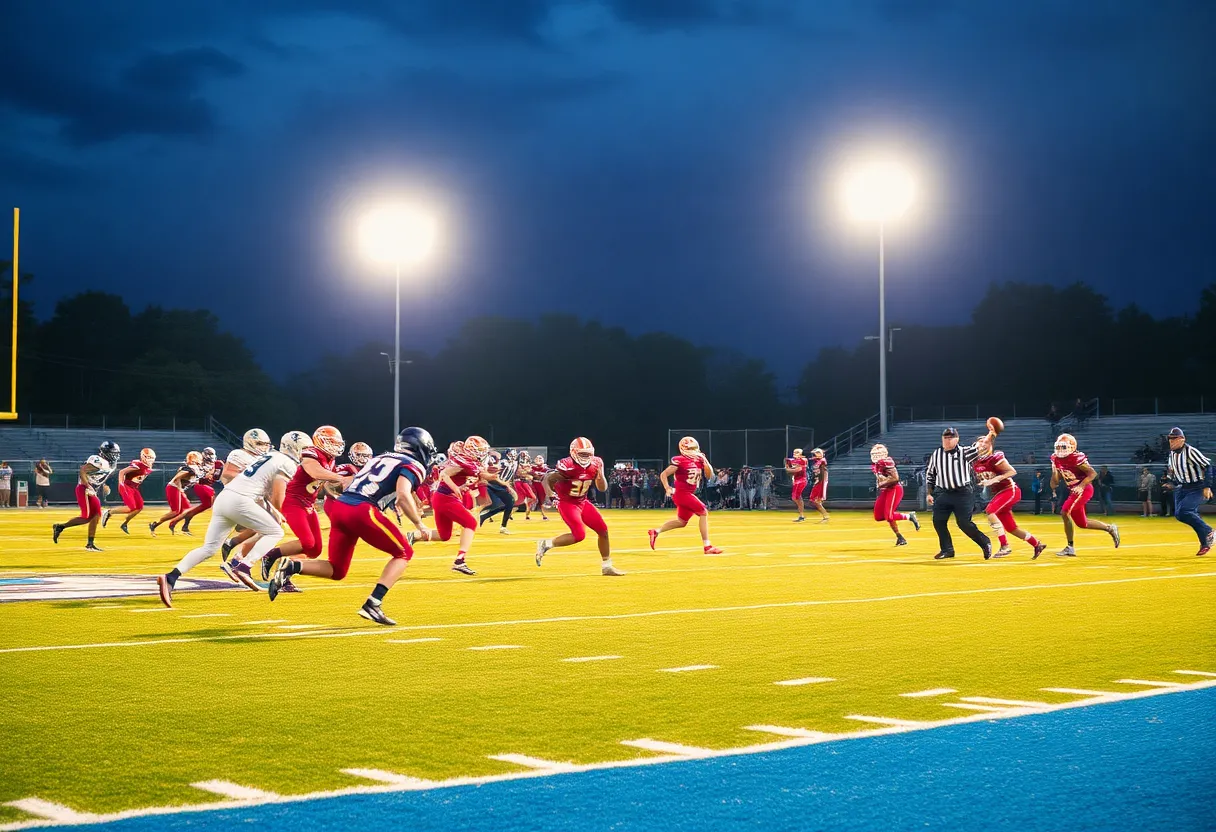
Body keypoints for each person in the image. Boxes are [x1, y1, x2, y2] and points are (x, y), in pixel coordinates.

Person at [267, 428, 436, 624]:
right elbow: (403, 494)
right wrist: (419, 524)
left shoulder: (380, 458)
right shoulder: (413, 464)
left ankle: (292, 565)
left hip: (341, 507)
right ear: (420, 448)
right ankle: (373, 603)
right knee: (404, 552)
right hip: (362, 510)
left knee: (337, 570)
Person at [156, 431, 306, 607]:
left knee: (209, 548)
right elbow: (277, 492)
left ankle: (171, 577)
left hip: (225, 498)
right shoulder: (287, 463)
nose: (306, 454)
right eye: (304, 450)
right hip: (240, 500)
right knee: (275, 531)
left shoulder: (272, 456)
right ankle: (244, 566)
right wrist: (277, 511)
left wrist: (271, 508)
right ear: (294, 448)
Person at [242, 426, 351, 589]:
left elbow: (325, 482)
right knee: (307, 542)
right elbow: (313, 471)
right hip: (293, 501)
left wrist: (338, 495)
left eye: (337, 443)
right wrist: (340, 478)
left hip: (307, 504)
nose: (336, 446)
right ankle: (270, 556)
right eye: (332, 442)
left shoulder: (330, 459)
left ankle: (286, 568)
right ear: (320, 441)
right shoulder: (312, 452)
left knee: (315, 550)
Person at [535, 437, 624, 575]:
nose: (585, 457)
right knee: (579, 535)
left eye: (587, 454)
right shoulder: (567, 465)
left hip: (582, 501)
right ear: (573, 452)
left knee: (603, 531)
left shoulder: (596, 463)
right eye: (582, 454)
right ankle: (546, 544)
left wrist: (600, 476)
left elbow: (602, 488)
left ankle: (607, 566)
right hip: (567, 502)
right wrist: (551, 495)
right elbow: (548, 479)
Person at [409, 436, 490, 575]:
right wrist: (455, 488)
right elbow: (444, 474)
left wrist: (463, 485)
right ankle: (460, 561)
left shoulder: (465, 461)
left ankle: (414, 536)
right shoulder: (461, 462)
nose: (483, 453)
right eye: (480, 450)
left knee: (444, 535)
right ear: (473, 450)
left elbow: (471, 475)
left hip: (442, 498)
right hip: (445, 498)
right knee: (470, 522)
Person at [972, 434, 1047, 558]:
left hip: (1009, 490)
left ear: (991, 446)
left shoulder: (995, 457)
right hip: (999, 493)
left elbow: (1012, 471)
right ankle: (1036, 544)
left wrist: (993, 480)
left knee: (990, 511)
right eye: (980, 441)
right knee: (1011, 528)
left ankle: (1004, 546)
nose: (982, 444)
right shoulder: (975, 462)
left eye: (986, 442)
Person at [924, 427, 992, 560]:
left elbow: (981, 449)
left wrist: (991, 434)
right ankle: (947, 550)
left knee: (964, 523)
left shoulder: (964, 452)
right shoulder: (937, 453)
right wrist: (929, 493)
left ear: (957, 439)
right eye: (946, 438)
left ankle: (985, 542)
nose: (948, 440)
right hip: (943, 492)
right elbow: (930, 474)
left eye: (951, 438)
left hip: (962, 493)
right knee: (938, 521)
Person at [648, 436, 723, 554]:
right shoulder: (680, 460)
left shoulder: (699, 460)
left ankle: (656, 531)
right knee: (703, 512)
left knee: (681, 522)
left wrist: (705, 460)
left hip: (687, 493)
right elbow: (664, 474)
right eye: (691, 448)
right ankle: (707, 546)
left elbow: (710, 476)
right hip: (682, 493)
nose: (694, 451)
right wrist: (667, 487)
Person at [1050, 433, 1120, 556]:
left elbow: (1093, 474)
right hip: (1073, 490)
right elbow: (1054, 484)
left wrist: (1081, 486)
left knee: (1064, 512)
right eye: (1059, 447)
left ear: (1072, 447)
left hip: (1084, 489)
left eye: (1064, 447)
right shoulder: (1055, 459)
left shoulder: (1076, 458)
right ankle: (1110, 528)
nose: (1060, 450)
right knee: (1083, 523)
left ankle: (1070, 547)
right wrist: (1055, 470)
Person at [52, 441, 121, 551]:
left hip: (92, 491)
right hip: (84, 489)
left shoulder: (111, 464)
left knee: (96, 515)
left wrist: (103, 485)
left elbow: (99, 476)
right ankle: (60, 527)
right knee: (86, 517)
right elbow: (83, 470)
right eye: (113, 453)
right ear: (106, 452)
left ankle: (90, 544)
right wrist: (88, 485)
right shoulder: (98, 460)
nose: (116, 455)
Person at [1164, 427, 1214, 556]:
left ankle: (1209, 531)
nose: (1171, 442)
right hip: (1182, 487)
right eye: (1170, 439)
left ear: (1182, 439)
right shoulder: (1172, 454)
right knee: (1180, 515)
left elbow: (1208, 465)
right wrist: (1170, 483)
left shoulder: (1191, 451)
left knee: (1185, 511)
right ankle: (1205, 543)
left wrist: (1207, 486)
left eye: (1174, 439)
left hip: (1196, 486)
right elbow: (1174, 472)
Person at [869, 444, 919, 545]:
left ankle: (906, 523)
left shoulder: (886, 462)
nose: (876, 456)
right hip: (886, 490)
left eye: (878, 454)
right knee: (878, 516)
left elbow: (895, 478)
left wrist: (881, 484)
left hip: (894, 489)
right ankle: (901, 535)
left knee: (889, 516)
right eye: (874, 454)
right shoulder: (875, 465)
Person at [149, 452, 204, 537]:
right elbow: (176, 479)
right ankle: (154, 524)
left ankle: (178, 526)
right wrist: (181, 490)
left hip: (176, 488)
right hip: (173, 487)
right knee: (175, 511)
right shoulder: (189, 468)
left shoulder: (193, 468)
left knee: (187, 509)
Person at [170, 447, 222, 535]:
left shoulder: (218, 464)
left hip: (207, 486)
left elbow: (218, 475)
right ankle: (181, 524)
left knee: (204, 506)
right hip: (201, 485)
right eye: (209, 455)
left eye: (212, 454)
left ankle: (177, 523)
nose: (211, 457)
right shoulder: (199, 463)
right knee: (212, 503)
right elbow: (186, 468)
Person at [103, 448, 156, 534]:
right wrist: (121, 484)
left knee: (139, 507)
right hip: (127, 486)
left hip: (134, 487)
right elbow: (122, 472)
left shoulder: (149, 468)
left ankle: (124, 524)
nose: (150, 459)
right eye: (148, 457)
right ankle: (109, 512)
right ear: (143, 457)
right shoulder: (138, 465)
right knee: (131, 508)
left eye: (151, 458)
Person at [785, 449, 809, 522]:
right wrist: (788, 465)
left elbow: (797, 470)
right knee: (795, 498)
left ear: (801, 454)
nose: (795, 453)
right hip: (796, 480)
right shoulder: (793, 461)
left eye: (797, 452)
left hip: (801, 480)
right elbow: (791, 470)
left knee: (796, 497)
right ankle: (801, 515)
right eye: (794, 452)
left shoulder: (803, 460)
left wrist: (788, 469)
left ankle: (801, 515)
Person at [807, 448, 830, 522]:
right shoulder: (816, 461)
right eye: (816, 453)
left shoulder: (822, 461)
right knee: (813, 500)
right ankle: (825, 516)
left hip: (821, 482)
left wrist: (819, 481)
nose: (817, 454)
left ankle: (826, 516)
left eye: (819, 453)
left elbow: (823, 472)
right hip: (817, 481)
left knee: (816, 500)